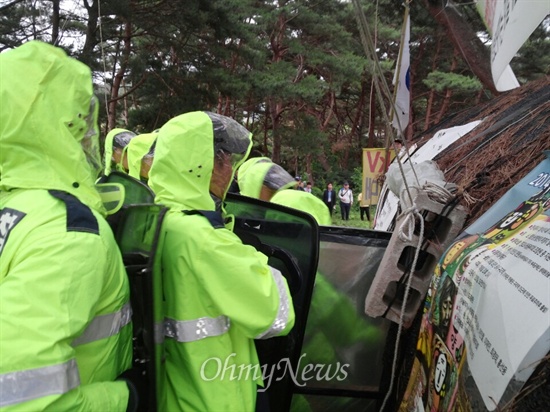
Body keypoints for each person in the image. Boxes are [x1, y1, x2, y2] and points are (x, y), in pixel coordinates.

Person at [0, 41, 135, 411]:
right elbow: (21, 400)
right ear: (60, 125)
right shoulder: (69, 230)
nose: (90, 132)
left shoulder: (14, 205)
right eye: (82, 117)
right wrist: (125, 397)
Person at [147, 111, 295, 411]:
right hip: (217, 396)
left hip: (179, 393)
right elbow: (275, 315)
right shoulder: (204, 239)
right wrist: (255, 257)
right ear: (209, 164)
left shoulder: (160, 220)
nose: (230, 169)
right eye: (226, 159)